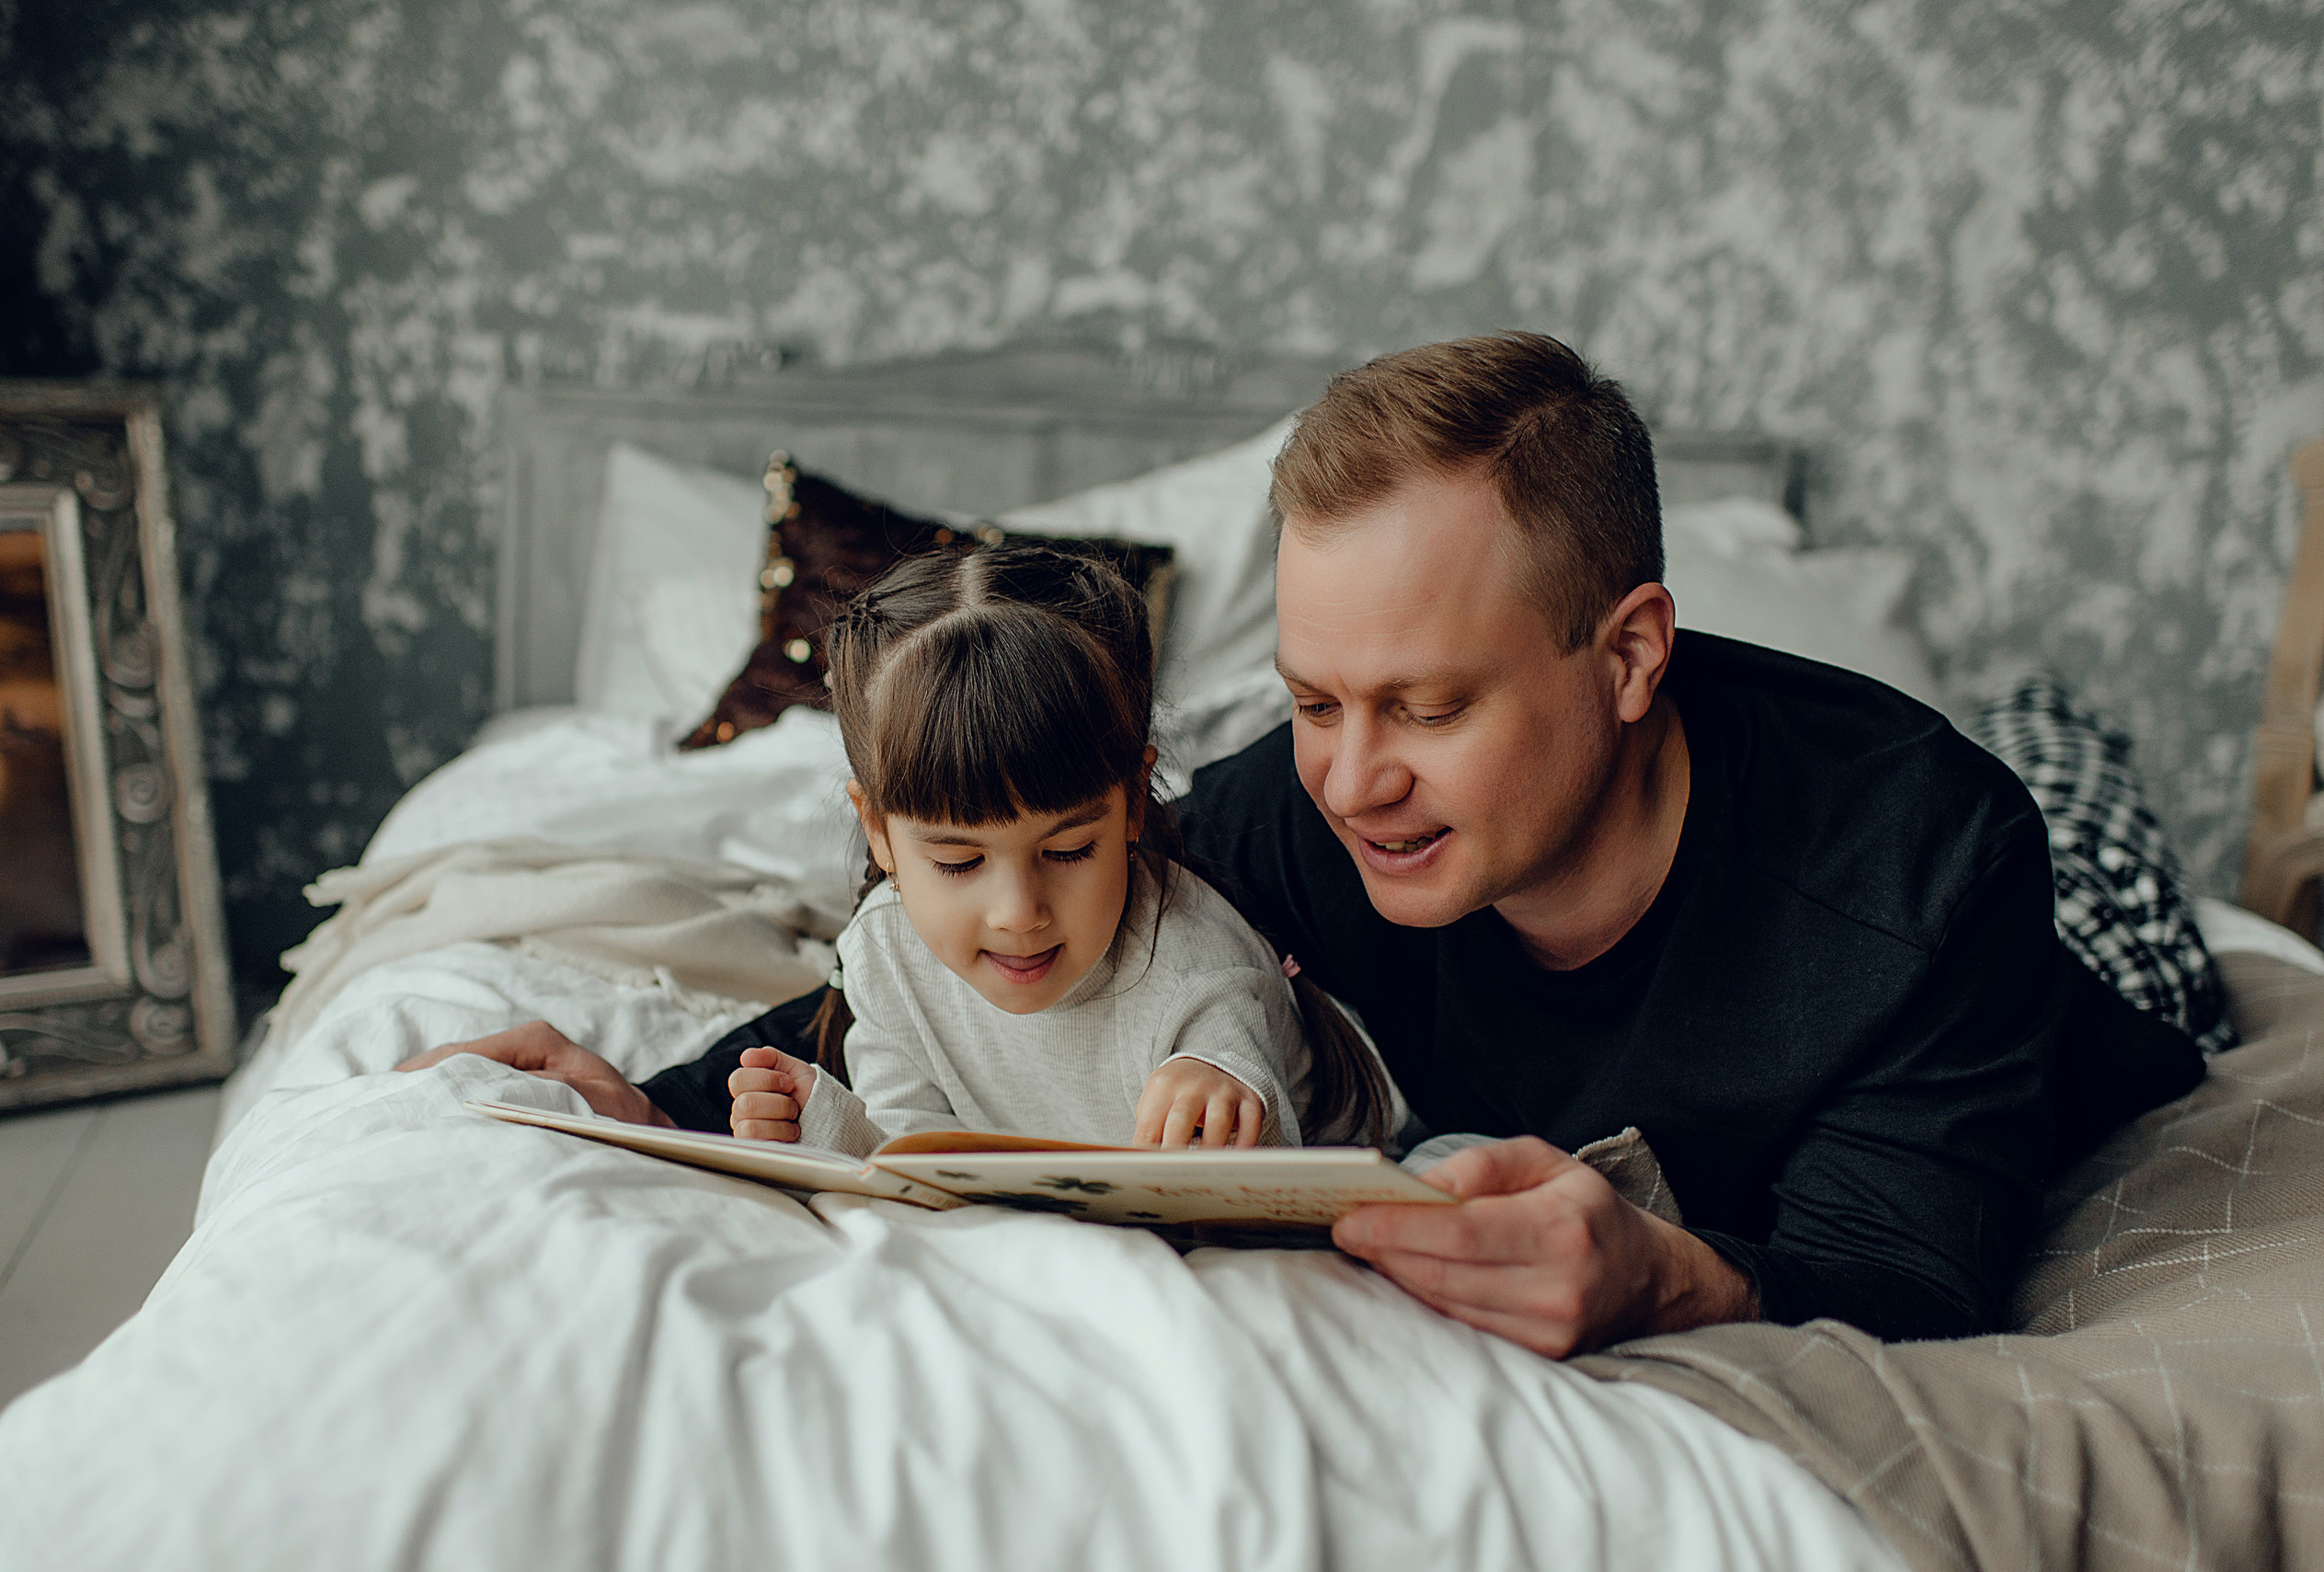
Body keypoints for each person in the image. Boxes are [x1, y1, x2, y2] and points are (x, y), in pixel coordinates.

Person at [410, 331, 2200, 1359]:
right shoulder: (1286, 810)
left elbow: (1902, 1273)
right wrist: (654, 1092)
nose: (1349, 780)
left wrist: (1663, 1272)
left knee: (2135, 910)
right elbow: (1033, 946)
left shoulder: (1914, 865)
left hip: (2052, 1010)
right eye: (1309, 695)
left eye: (1423, 707)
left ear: (1628, 651)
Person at [406, 543, 1392, 1158]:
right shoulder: (883, 952)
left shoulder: (1196, 965)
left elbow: (1275, 1151)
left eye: (1068, 849)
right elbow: (918, 1151)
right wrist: (815, 1121)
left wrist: (1225, 1098)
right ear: (877, 830)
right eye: (958, 862)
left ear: (1134, 800)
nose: (1017, 910)